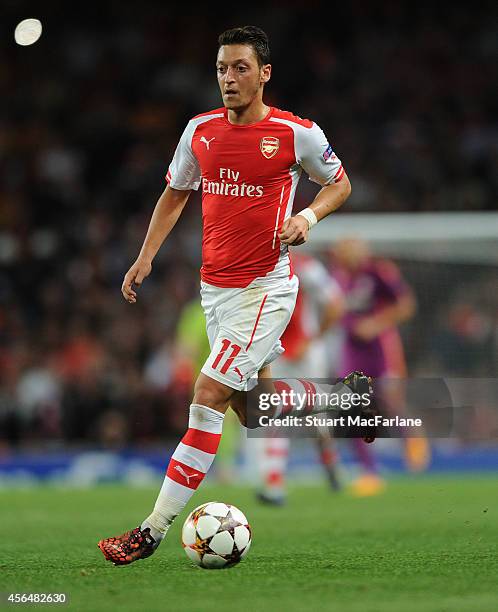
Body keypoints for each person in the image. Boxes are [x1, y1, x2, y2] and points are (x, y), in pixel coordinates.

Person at [98, 25, 368, 566]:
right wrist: (146, 256)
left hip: (264, 289)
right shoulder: (199, 130)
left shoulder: (297, 133)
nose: (229, 78)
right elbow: (174, 195)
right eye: (222, 68)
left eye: (241, 68)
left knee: (206, 394)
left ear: (264, 74)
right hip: (216, 293)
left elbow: (340, 183)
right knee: (254, 413)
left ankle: (149, 532)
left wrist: (308, 215)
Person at [332, 238, 430, 480]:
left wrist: (376, 324)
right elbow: (334, 310)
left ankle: (412, 440)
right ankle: (369, 471)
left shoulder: (379, 272)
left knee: (389, 400)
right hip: (353, 350)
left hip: (381, 347)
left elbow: (407, 305)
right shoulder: (338, 279)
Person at [255, 252, 345, 505]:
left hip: (307, 352)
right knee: (273, 412)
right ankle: (273, 485)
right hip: (277, 350)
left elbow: (335, 303)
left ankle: (330, 465)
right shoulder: (256, 262)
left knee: (316, 420)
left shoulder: (307, 266)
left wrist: (314, 338)